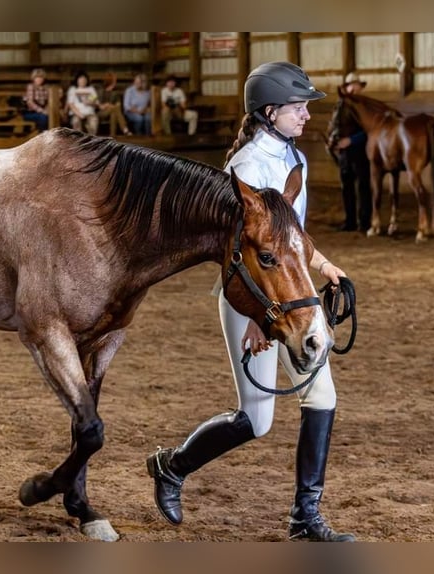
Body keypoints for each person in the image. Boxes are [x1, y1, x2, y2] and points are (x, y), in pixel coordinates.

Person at [146, 62, 356, 542]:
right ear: (270, 112)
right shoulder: (246, 169)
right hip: (252, 303)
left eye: (306, 108)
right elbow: (239, 255)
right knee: (256, 420)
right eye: (298, 108)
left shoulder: (292, 160)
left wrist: (324, 265)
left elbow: (291, 241)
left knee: (321, 395)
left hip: (293, 293)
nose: (306, 116)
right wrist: (258, 317)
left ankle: (305, 519)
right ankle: (171, 467)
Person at [335, 73, 372, 232]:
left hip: (360, 150)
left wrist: (352, 140)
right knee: (347, 186)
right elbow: (336, 125)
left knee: (363, 186)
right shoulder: (341, 105)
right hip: (345, 151)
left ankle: (365, 221)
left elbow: (369, 129)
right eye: (351, 85)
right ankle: (350, 220)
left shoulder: (365, 106)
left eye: (356, 85)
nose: (353, 88)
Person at [96, 71, 131, 136]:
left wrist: (109, 105)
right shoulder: (100, 90)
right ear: (110, 81)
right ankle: (124, 129)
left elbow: (118, 105)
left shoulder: (115, 92)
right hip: (101, 113)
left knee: (114, 114)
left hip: (112, 111)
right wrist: (104, 105)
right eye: (114, 80)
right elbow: (97, 104)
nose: (116, 81)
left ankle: (113, 136)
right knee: (115, 109)